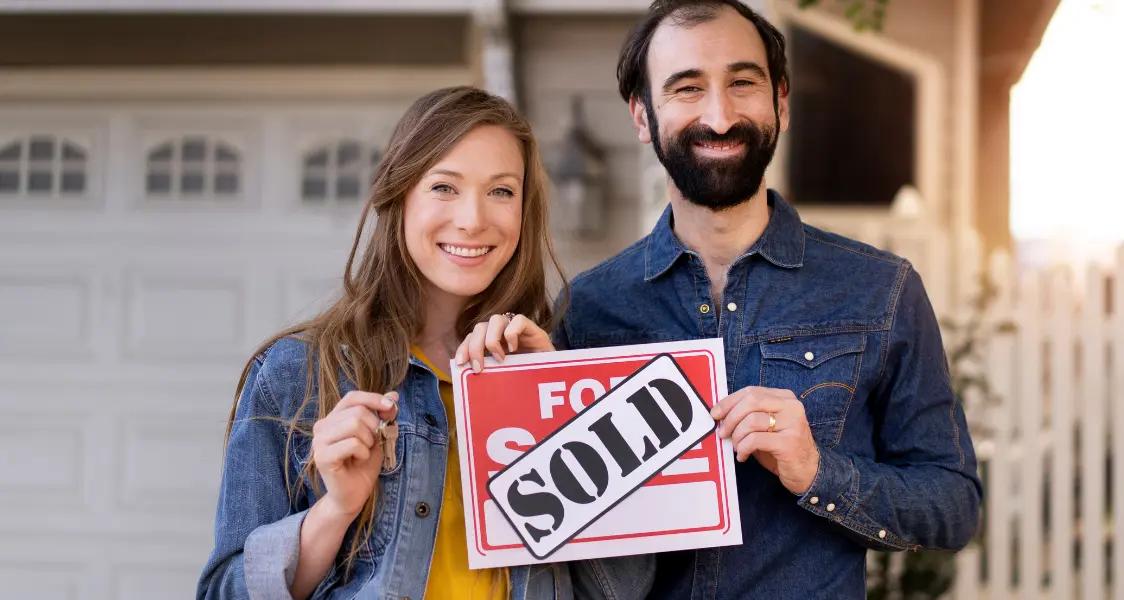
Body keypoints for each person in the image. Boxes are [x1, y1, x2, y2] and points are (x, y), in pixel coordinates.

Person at [458, 1, 983, 598]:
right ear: (641, 114)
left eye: (742, 82)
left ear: (780, 102)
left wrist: (816, 470)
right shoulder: (590, 307)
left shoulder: (881, 290)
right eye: (686, 88)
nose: (720, 114)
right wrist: (529, 397)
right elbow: (563, 552)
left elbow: (953, 506)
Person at [197, 86, 575, 599]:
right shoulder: (297, 375)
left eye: (501, 191)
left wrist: (562, 415)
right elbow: (225, 593)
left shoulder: (560, 369)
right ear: (397, 195)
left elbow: (623, 586)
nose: (473, 219)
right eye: (444, 187)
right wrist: (336, 510)